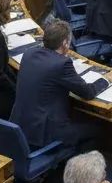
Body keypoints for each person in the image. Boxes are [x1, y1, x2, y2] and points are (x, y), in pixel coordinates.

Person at [11, 20, 107, 151]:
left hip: (22, 126)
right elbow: (88, 93)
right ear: (65, 43)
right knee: (99, 129)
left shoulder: (29, 54)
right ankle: (77, 167)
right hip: (46, 134)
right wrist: (106, 79)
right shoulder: (62, 64)